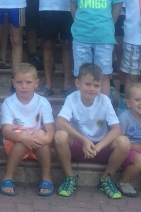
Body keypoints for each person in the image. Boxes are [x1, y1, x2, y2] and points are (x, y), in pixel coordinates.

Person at [53, 63, 129, 198]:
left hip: (100, 148)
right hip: (78, 146)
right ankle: (70, 177)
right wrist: (84, 140)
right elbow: (60, 122)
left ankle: (106, 179)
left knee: (124, 142)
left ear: (101, 86)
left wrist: (98, 147)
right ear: (78, 83)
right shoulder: (72, 98)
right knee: (60, 135)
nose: (92, 89)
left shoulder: (104, 100)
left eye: (96, 85)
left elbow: (116, 129)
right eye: (87, 84)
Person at [0, 63, 56, 197]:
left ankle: (47, 178)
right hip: (15, 143)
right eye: (19, 82)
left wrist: (44, 139)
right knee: (23, 137)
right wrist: (23, 137)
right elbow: (6, 132)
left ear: (36, 83)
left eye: (28, 82)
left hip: (37, 144)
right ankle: (7, 176)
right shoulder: (8, 102)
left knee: (40, 134)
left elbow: (50, 130)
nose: (24, 86)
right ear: (13, 83)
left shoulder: (43, 102)